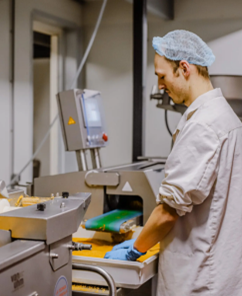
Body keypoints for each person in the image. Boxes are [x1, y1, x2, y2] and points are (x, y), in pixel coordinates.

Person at [104, 30, 242, 295]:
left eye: (162, 76)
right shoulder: (226, 118)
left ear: (184, 68)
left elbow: (168, 212)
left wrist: (136, 248)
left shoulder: (204, 125)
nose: (161, 86)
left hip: (197, 279)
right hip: (218, 272)